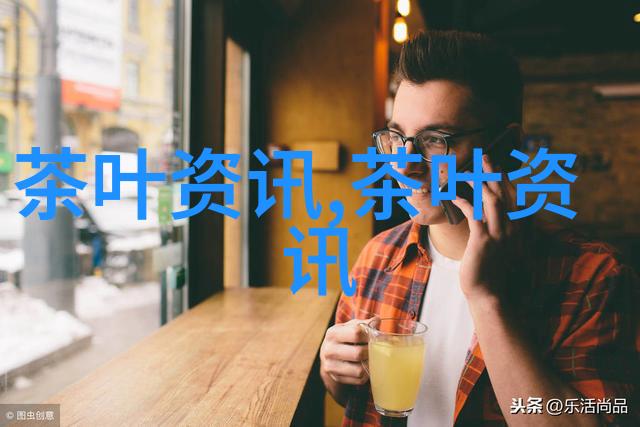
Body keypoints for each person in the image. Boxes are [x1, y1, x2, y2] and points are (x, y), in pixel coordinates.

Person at [319, 30, 639, 426]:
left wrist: (487, 300)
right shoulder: (379, 255)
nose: (403, 164)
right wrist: (334, 370)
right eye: (397, 137)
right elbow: (350, 398)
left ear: (507, 146)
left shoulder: (593, 278)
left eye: (436, 140)